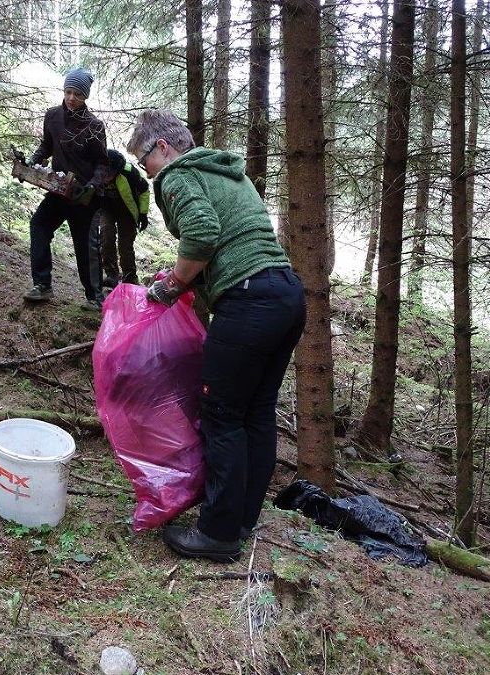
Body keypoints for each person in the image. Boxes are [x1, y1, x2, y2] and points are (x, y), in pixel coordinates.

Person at [127, 109, 306, 563]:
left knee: (223, 414)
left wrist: (171, 287)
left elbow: (204, 234)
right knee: (256, 413)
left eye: (144, 160)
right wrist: (189, 279)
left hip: (248, 300)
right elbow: (227, 238)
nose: (146, 172)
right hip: (285, 293)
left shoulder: (176, 176)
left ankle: (218, 533)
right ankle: (242, 518)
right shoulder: (227, 172)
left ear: (163, 149)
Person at [22, 68, 109, 310]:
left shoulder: (94, 126)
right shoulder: (52, 116)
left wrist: (93, 185)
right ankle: (42, 284)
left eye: (78, 94)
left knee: (85, 246)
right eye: (68, 92)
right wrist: (33, 161)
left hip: (85, 197)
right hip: (59, 190)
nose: (71, 98)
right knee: (38, 225)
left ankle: (95, 297)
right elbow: (45, 146)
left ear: (85, 96)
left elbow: (103, 163)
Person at [96, 149, 151, 287]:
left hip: (127, 211)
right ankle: (111, 274)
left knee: (125, 244)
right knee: (106, 235)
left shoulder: (129, 172)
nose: (107, 177)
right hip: (106, 209)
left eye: (110, 173)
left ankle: (130, 276)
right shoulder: (96, 170)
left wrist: (143, 214)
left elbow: (144, 190)